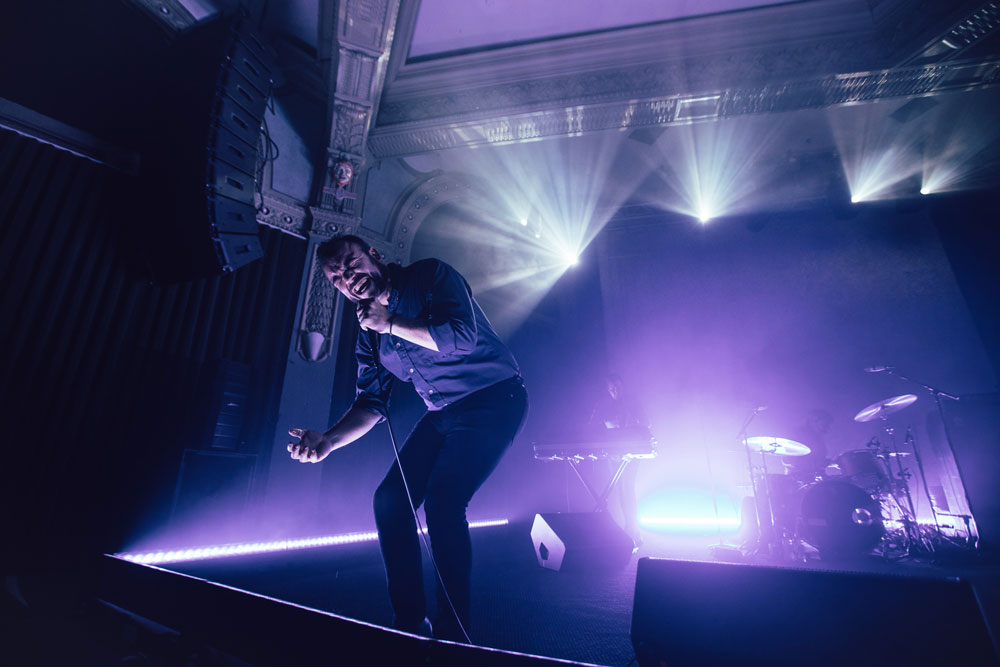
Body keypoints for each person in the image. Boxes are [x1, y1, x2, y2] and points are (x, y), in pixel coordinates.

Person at [286, 235, 527, 642]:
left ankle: (455, 634)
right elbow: (372, 402)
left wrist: (391, 322)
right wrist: (328, 441)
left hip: (493, 398)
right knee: (390, 500)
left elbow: (460, 338)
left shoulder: (429, 275)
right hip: (443, 413)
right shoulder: (368, 330)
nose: (348, 278)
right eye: (338, 278)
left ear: (374, 256)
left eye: (352, 264)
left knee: (444, 501)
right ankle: (411, 623)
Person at [588, 373, 648, 547]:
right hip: (613, 454)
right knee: (617, 491)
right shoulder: (604, 406)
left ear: (623, 386)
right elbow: (593, 425)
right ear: (608, 390)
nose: (615, 391)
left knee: (627, 488)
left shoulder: (634, 403)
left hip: (631, 453)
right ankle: (623, 530)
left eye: (617, 388)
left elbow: (645, 424)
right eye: (611, 389)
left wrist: (632, 423)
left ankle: (632, 529)